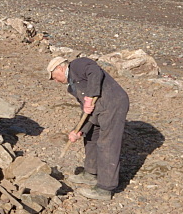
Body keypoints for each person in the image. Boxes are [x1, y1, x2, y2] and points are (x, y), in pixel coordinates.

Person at [47, 55, 129, 201]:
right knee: (90, 136)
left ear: (60, 67)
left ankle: (105, 188)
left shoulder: (78, 65)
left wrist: (90, 97)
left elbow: (95, 72)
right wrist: (78, 130)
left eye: (54, 76)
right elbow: (86, 111)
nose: (55, 81)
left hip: (113, 104)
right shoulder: (72, 87)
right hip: (100, 109)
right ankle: (91, 173)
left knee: (107, 143)